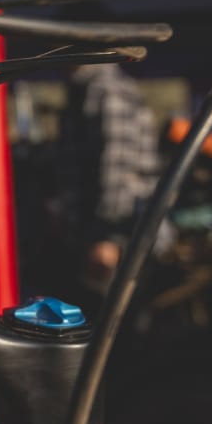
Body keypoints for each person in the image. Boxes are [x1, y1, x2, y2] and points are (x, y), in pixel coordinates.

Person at [55, 62, 164, 295]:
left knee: (107, 308)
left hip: (115, 234)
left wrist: (107, 235)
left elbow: (117, 166)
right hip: (100, 230)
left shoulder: (108, 90)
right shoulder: (89, 88)